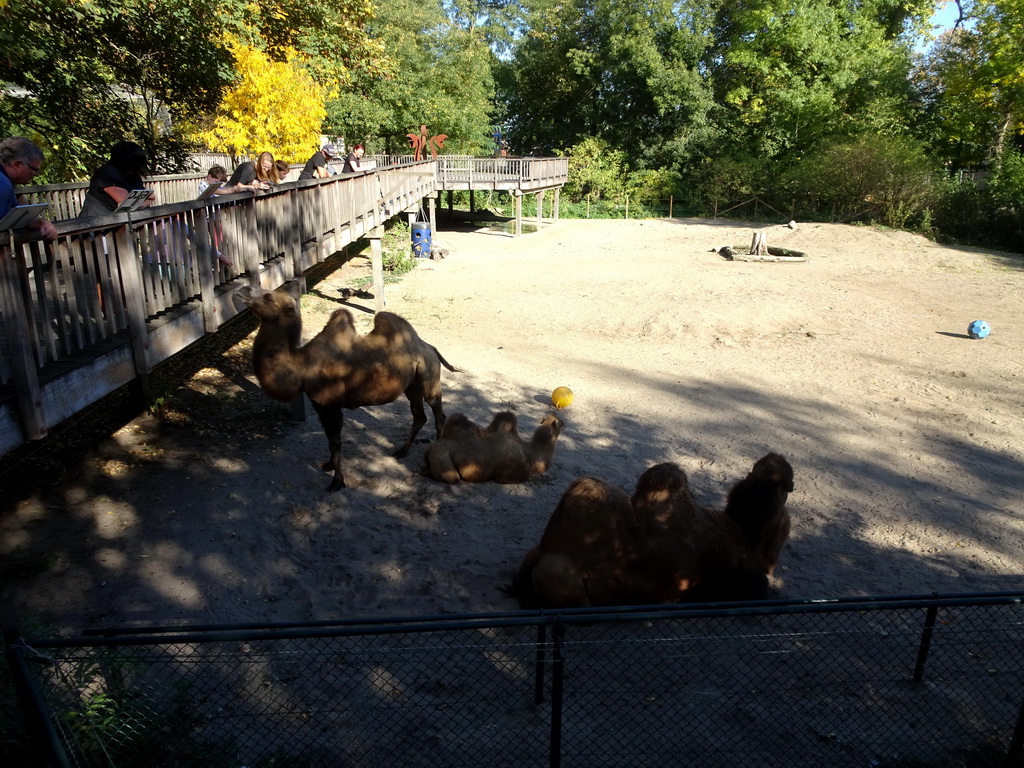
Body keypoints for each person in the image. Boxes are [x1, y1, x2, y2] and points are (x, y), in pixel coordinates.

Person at [0, 136, 58, 240]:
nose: (36, 175)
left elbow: (15, 217)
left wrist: (42, 223)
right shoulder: (3, 185)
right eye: (34, 170)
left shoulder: (6, 182)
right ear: (17, 165)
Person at [78, 141, 155, 218]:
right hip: (94, 223)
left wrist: (141, 203)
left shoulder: (133, 175)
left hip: (116, 222)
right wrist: (143, 202)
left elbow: (151, 196)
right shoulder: (107, 173)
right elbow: (126, 202)